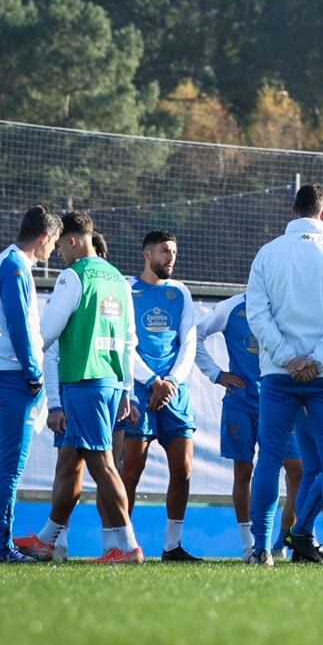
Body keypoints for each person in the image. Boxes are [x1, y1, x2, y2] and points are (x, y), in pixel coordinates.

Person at [244, 184, 323, 566]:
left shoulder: (267, 253)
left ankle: (261, 548)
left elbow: (256, 314)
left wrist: (288, 357)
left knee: (269, 459)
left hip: (279, 374)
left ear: (294, 211)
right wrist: (318, 358)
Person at [19, 212, 142, 564]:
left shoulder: (74, 276)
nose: (59, 254)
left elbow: (48, 331)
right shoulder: (118, 278)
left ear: (72, 240)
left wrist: (24, 357)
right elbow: (130, 338)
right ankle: (48, 540)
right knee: (70, 460)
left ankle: (128, 545)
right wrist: (126, 389)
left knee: (102, 464)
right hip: (108, 379)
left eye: (60, 246)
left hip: (83, 378)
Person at [194, 291, 306, 561]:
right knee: (243, 472)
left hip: (280, 401)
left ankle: (282, 540)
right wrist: (217, 374)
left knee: (297, 470)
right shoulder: (231, 307)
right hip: (241, 403)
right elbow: (195, 334)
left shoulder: (288, 305)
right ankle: (250, 545)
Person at [0, 205, 61, 562]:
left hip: (4, 373)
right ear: (44, 237)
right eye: (54, 242)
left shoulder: (8, 262)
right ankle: (1, 546)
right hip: (14, 377)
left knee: (1, 465)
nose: (53, 250)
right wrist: (33, 373)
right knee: (9, 467)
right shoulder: (14, 267)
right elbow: (18, 326)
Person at [116, 230, 200, 561]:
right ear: (147, 255)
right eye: (165, 251)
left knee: (184, 468)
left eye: (174, 252)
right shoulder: (127, 289)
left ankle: (172, 545)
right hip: (139, 392)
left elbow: (188, 343)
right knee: (131, 468)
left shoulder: (180, 293)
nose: (171, 257)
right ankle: (123, 544)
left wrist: (170, 382)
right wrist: (152, 380)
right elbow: (125, 344)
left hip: (174, 392)